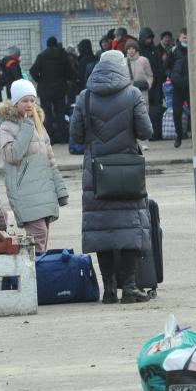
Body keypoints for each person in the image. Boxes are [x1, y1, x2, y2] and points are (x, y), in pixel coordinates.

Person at [69, 49, 153, 304]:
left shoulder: (85, 97)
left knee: (102, 230)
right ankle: (129, 287)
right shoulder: (132, 95)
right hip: (127, 170)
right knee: (129, 228)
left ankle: (108, 290)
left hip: (96, 172)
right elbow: (146, 130)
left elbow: (76, 134)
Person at [0, 79, 69, 253]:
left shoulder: (39, 125)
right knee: (38, 237)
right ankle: (36, 275)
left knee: (42, 239)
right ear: (15, 103)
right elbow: (12, 155)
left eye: (32, 100)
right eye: (24, 101)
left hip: (44, 191)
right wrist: (27, 127)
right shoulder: (7, 127)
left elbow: (50, 159)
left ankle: (40, 274)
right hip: (25, 192)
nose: (29, 105)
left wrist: (60, 190)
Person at [29, 36, 76, 144]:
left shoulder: (42, 56)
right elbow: (70, 72)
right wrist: (66, 79)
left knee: (47, 114)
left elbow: (33, 70)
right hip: (60, 89)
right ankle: (62, 138)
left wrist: (40, 80)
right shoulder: (63, 55)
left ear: (47, 44)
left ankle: (49, 138)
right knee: (60, 113)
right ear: (56, 44)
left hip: (45, 89)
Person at [168, 29, 190, 148]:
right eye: (183, 37)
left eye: (187, 37)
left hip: (191, 87)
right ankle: (179, 136)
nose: (185, 40)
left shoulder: (194, 49)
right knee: (177, 113)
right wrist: (171, 76)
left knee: (195, 113)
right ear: (179, 38)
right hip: (177, 87)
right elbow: (166, 65)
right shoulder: (174, 51)